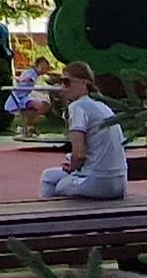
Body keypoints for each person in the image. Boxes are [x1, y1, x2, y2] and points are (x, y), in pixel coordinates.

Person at [40, 67, 130, 201]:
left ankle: (51, 213)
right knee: (60, 179)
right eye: (61, 82)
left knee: (50, 179)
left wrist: (72, 167)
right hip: (119, 182)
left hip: (96, 181)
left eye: (67, 82)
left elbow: (79, 154)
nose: (62, 87)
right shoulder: (103, 107)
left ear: (83, 83)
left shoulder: (77, 108)